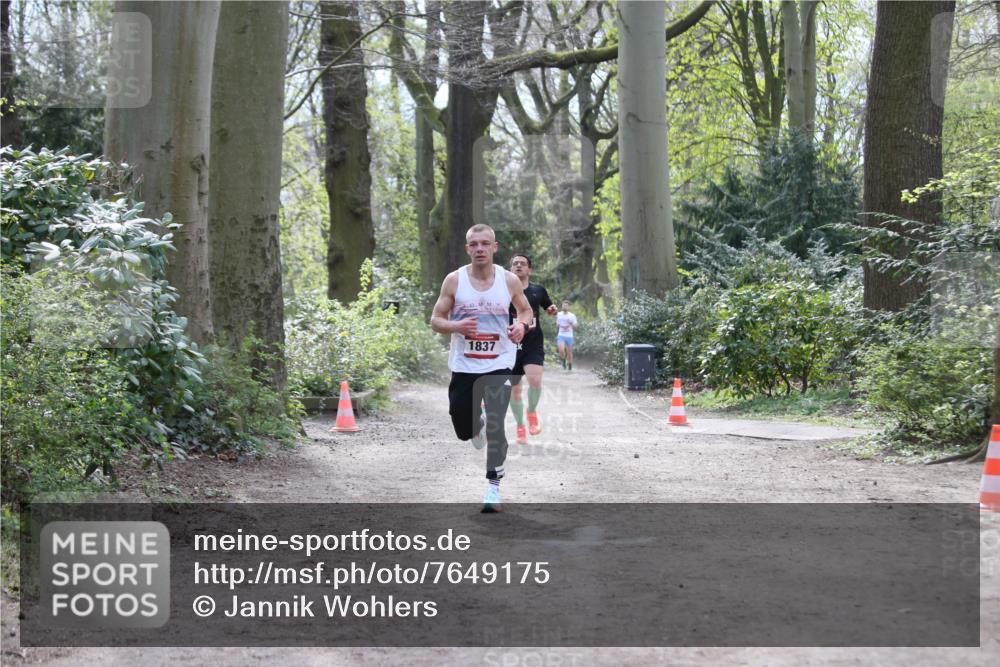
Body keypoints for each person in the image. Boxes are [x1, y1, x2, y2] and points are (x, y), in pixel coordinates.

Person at [430, 224, 533, 512]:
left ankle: (493, 487)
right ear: (467, 249)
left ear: (494, 247)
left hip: (500, 363)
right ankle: (478, 424)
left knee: (497, 424)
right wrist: (456, 326)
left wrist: (521, 326)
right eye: (474, 244)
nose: (480, 249)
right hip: (464, 365)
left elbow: (525, 310)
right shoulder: (454, 281)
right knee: (463, 428)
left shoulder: (509, 280)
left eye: (485, 243)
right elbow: (436, 320)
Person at [507, 254, 557, 445]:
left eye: (522, 263)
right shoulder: (502, 291)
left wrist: (552, 309)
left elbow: (549, 307)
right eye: (515, 263)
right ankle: (520, 427)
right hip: (510, 346)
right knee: (515, 390)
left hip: (533, 344)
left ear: (530, 269)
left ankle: (531, 412)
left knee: (535, 381)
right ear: (510, 269)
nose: (518, 266)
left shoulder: (538, 290)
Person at [556, 300, 578, 371]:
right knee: (561, 350)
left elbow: (575, 326)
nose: (564, 307)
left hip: (569, 336)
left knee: (569, 353)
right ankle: (563, 361)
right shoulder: (559, 314)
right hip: (561, 335)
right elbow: (557, 324)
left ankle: (570, 365)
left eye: (566, 305)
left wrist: (572, 324)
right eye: (563, 305)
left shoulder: (572, 316)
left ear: (569, 307)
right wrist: (558, 324)